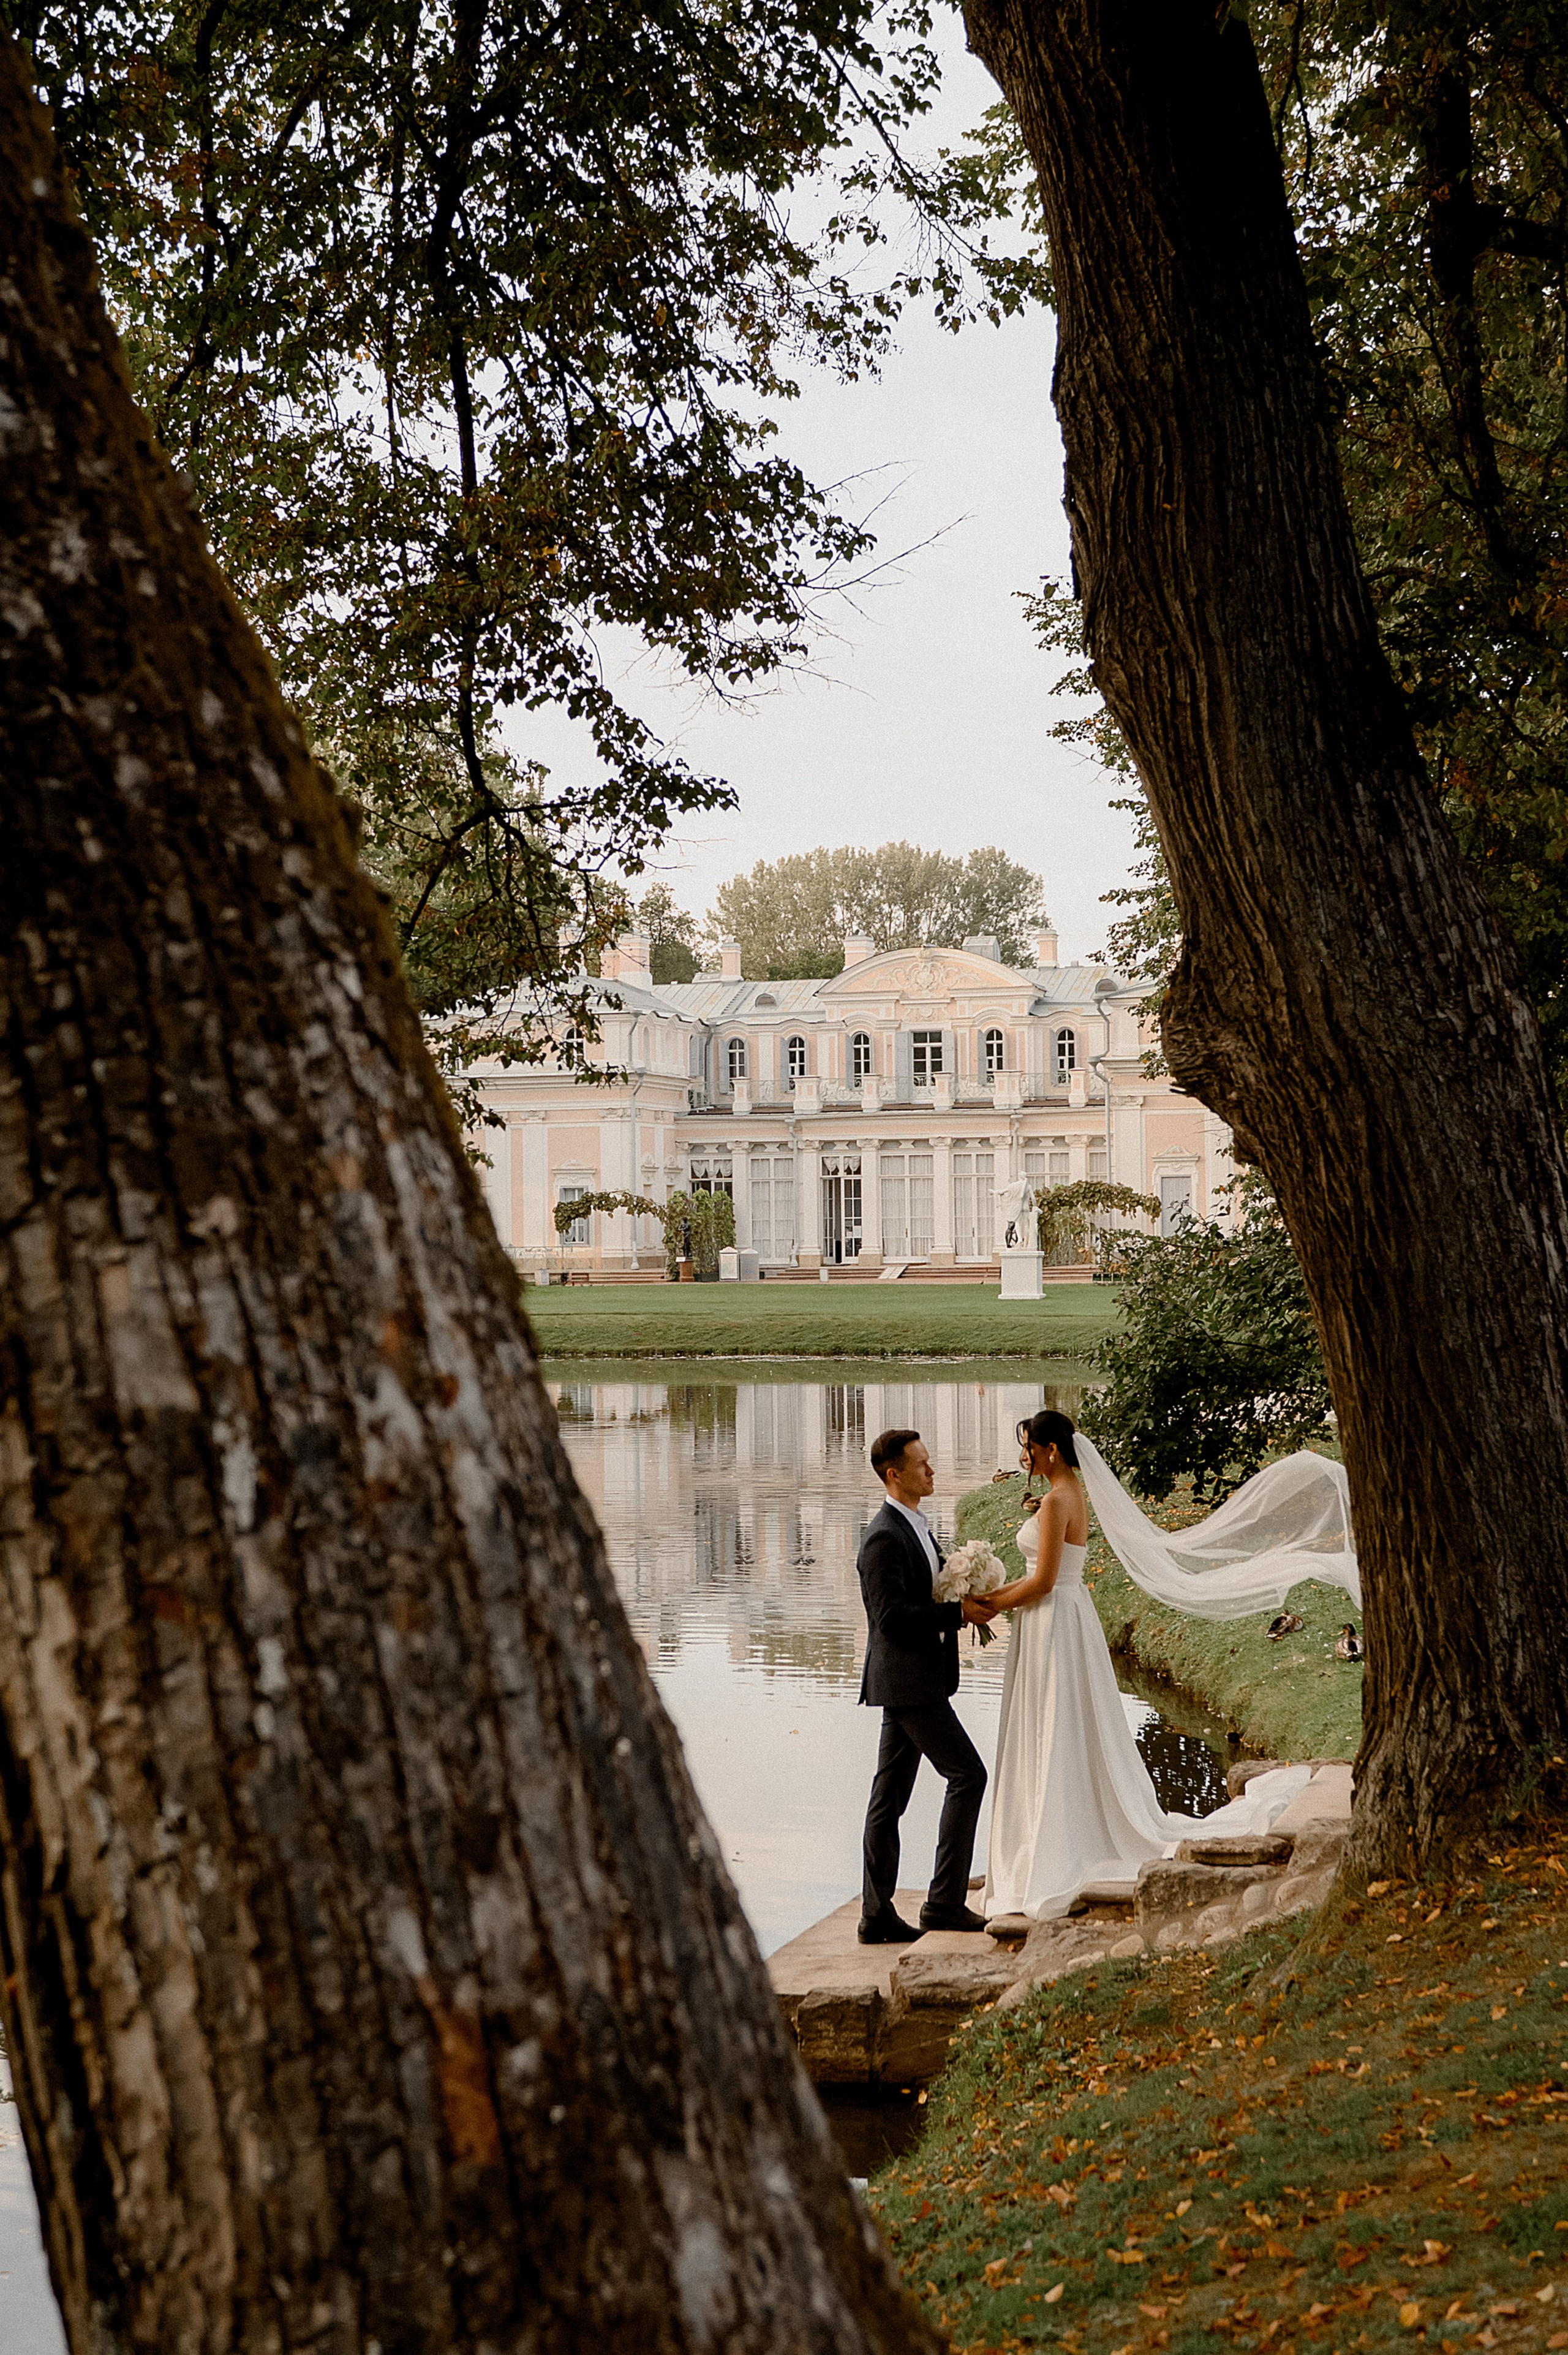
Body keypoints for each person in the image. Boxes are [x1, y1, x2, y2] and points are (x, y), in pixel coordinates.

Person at [982, 1410, 1332, 1922]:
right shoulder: (1067, 1493)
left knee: (1057, 1727)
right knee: (1057, 1727)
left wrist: (988, 1601)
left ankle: (1056, 1840)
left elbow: (1042, 1581)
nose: (1023, 1456)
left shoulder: (1060, 1499)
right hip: (1054, 1619)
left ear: (1050, 1450)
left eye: (1028, 1447)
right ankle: (1050, 1829)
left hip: (1054, 1618)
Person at [856, 1427, 997, 1944]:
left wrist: (967, 1596)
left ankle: (878, 1915)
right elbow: (889, 1619)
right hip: (908, 1682)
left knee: (889, 1798)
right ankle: (942, 1903)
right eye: (922, 1465)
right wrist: (957, 1611)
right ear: (894, 1475)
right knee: (968, 1775)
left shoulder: (916, 1523)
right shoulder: (882, 1537)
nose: (931, 1471)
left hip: (915, 1681)